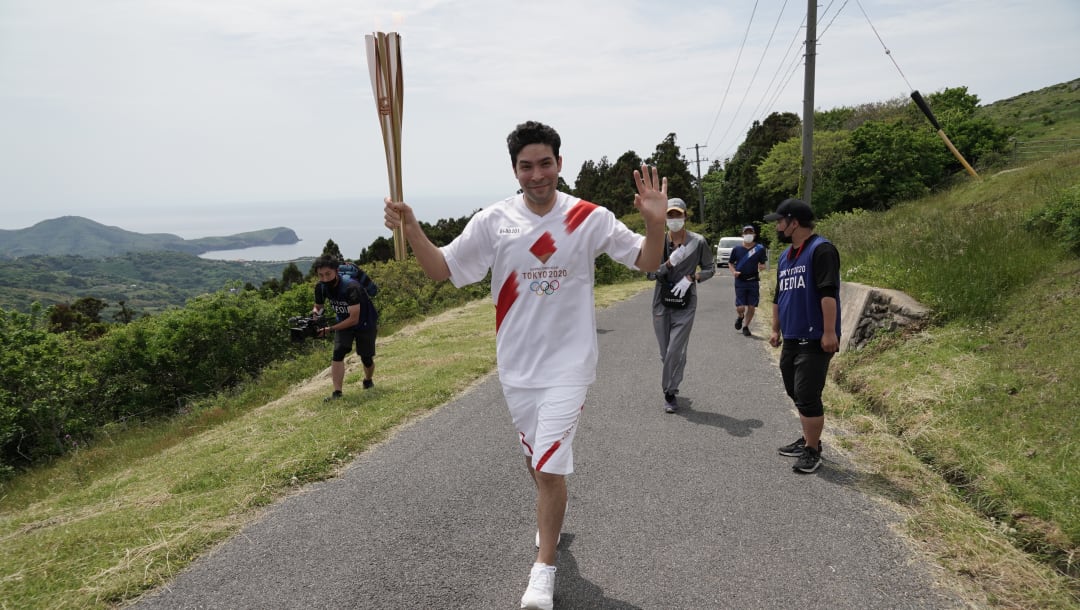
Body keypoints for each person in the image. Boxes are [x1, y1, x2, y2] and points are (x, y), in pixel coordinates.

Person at [383, 120, 669, 610]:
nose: (537, 175)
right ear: (514, 170)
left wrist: (656, 223)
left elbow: (646, 262)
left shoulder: (588, 217)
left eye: (545, 164)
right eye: (526, 166)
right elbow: (442, 270)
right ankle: (548, 521)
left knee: (550, 467)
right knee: (537, 461)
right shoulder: (494, 221)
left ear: (560, 163)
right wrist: (411, 227)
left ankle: (544, 568)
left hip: (569, 365)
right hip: (517, 367)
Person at [765, 199, 841, 474]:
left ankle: (813, 450)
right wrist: (775, 328)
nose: (777, 225)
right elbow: (779, 295)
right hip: (792, 336)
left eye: (780, 221)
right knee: (794, 390)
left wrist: (830, 332)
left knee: (808, 395)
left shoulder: (821, 250)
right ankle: (809, 439)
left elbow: (828, 292)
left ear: (794, 222)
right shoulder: (786, 256)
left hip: (815, 337)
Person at [646, 197, 715, 413]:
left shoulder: (698, 242)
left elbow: (710, 268)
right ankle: (671, 383)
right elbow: (649, 274)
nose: (674, 219)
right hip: (661, 301)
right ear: (665, 217)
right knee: (665, 351)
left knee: (676, 348)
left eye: (678, 215)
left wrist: (692, 278)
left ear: (685, 216)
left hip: (686, 302)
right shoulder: (657, 241)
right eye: (670, 215)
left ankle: (669, 391)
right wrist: (668, 264)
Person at [311, 255, 379, 401]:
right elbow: (318, 306)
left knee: (366, 358)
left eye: (328, 274)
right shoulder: (321, 287)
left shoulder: (351, 287)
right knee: (338, 353)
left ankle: (368, 380)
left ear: (336, 271)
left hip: (365, 322)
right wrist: (315, 315)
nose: (324, 278)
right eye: (321, 275)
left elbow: (354, 319)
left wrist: (330, 329)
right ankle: (337, 393)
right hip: (343, 322)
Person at [728, 224, 768, 337]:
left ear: (754, 235)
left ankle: (746, 326)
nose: (748, 235)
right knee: (740, 307)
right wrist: (734, 272)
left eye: (751, 233)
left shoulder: (759, 249)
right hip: (740, 280)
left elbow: (763, 264)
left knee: (751, 306)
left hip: (753, 280)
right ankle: (740, 317)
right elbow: (730, 263)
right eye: (746, 233)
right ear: (742, 235)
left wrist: (762, 267)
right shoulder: (737, 249)